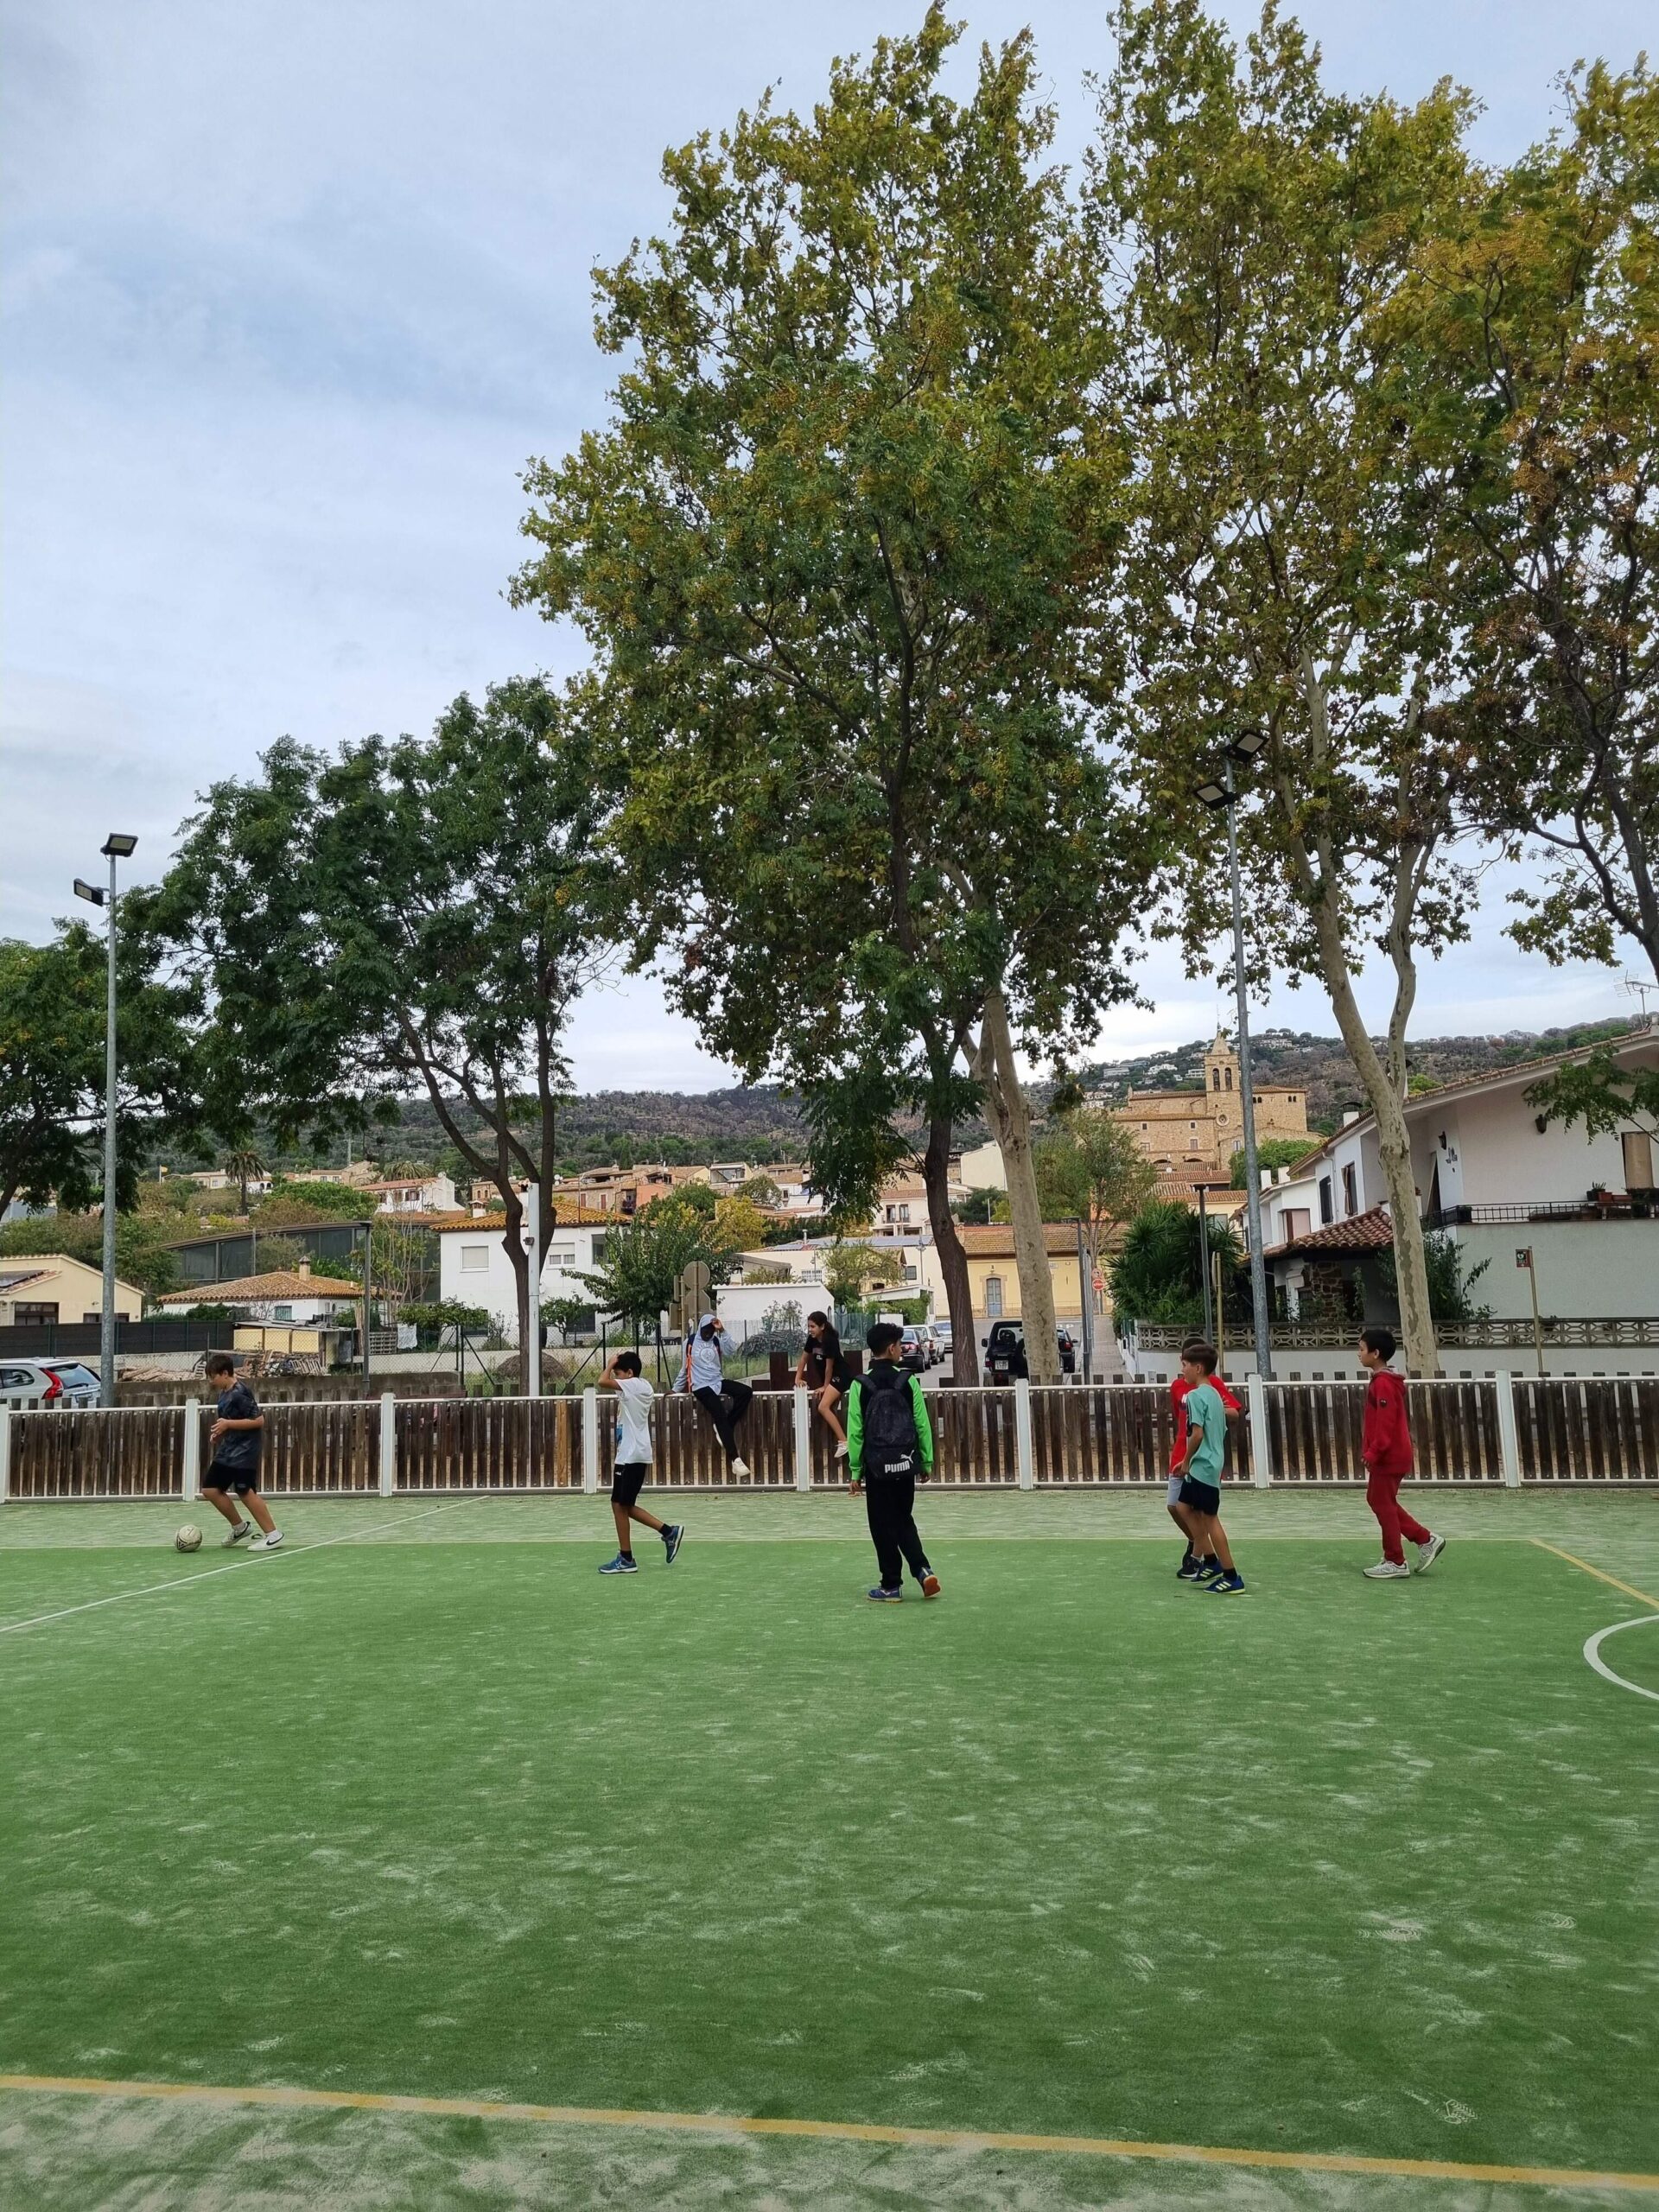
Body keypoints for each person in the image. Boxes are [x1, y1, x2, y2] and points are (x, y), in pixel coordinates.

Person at [848, 1320, 940, 1603]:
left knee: (881, 1525)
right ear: (891, 1348)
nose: (901, 1349)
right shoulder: (908, 1381)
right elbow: (922, 1424)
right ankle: (923, 1570)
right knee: (902, 1519)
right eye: (900, 1345)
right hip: (905, 1464)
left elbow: (855, 1431)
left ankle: (891, 1585)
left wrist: (855, 1470)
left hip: (877, 1468)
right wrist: (925, 1461)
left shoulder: (860, 1384)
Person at [1358, 1325, 1445, 1580]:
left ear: (1375, 1353)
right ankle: (1424, 1539)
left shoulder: (1384, 1383)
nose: (1359, 1354)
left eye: (1362, 1349)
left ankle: (1395, 1560)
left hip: (1389, 1455)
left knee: (1381, 1503)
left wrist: (1374, 1452)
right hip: (1390, 1453)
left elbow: (1386, 1423)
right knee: (1378, 1500)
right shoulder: (1383, 1381)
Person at [596, 1349, 683, 1575]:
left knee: (621, 1505)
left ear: (630, 1373)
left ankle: (629, 1557)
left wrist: (610, 1364)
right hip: (629, 1454)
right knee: (620, 1505)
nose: (616, 1378)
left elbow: (602, 1381)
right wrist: (616, 1367)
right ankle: (666, 1534)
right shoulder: (637, 1386)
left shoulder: (634, 1385)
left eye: (619, 1373)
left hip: (632, 1455)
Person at [1168, 1344, 1242, 1580]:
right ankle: (1210, 1561)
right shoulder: (1214, 1395)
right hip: (1206, 1462)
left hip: (1204, 1464)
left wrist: (1186, 1461)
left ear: (1198, 1368)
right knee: (1182, 1507)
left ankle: (1231, 1575)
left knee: (1209, 1518)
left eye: (1185, 1365)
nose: (1183, 1370)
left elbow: (1197, 1434)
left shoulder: (1196, 1396)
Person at [199, 1351, 282, 1551]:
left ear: (225, 1373)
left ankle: (273, 1535)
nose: (211, 1381)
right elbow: (230, 1421)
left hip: (245, 1452)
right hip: (229, 1450)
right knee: (210, 1489)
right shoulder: (224, 1393)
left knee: (245, 1492)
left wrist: (228, 1425)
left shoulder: (240, 1393)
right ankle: (239, 1527)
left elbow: (258, 1421)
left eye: (213, 1377)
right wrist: (220, 1432)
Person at [678, 1313, 753, 1477]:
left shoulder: (716, 1341)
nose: (708, 1334)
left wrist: (722, 1330)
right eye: (706, 1330)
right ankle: (735, 1459)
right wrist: (676, 1389)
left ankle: (725, 1427)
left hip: (717, 1380)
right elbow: (684, 1369)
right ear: (700, 1328)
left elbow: (732, 1351)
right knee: (719, 1414)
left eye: (711, 1331)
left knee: (746, 1392)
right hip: (700, 1385)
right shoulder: (689, 1342)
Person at [795, 1310, 851, 1460]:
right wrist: (798, 1378)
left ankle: (844, 1441)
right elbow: (804, 1359)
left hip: (841, 1376)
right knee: (827, 1406)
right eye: (809, 1326)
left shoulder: (830, 1341)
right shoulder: (811, 1339)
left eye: (813, 1326)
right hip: (831, 1378)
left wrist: (825, 1386)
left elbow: (829, 1367)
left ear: (822, 1326)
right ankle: (843, 1441)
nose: (810, 1330)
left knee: (823, 1407)